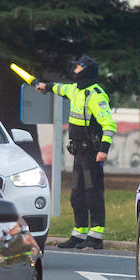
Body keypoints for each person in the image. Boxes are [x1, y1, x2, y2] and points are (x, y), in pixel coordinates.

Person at [36, 54, 116, 249]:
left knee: (92, 193)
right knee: (76, 194)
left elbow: (109, 124)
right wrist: (44, 87)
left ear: (86, 70)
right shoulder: (75, 90)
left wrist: (103, 150)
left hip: (92, 152)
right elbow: (58, 88)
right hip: (79, 152)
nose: (74, 70)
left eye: (78, 68)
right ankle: (79, 234)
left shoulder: (95, 95)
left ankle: (96, 237)